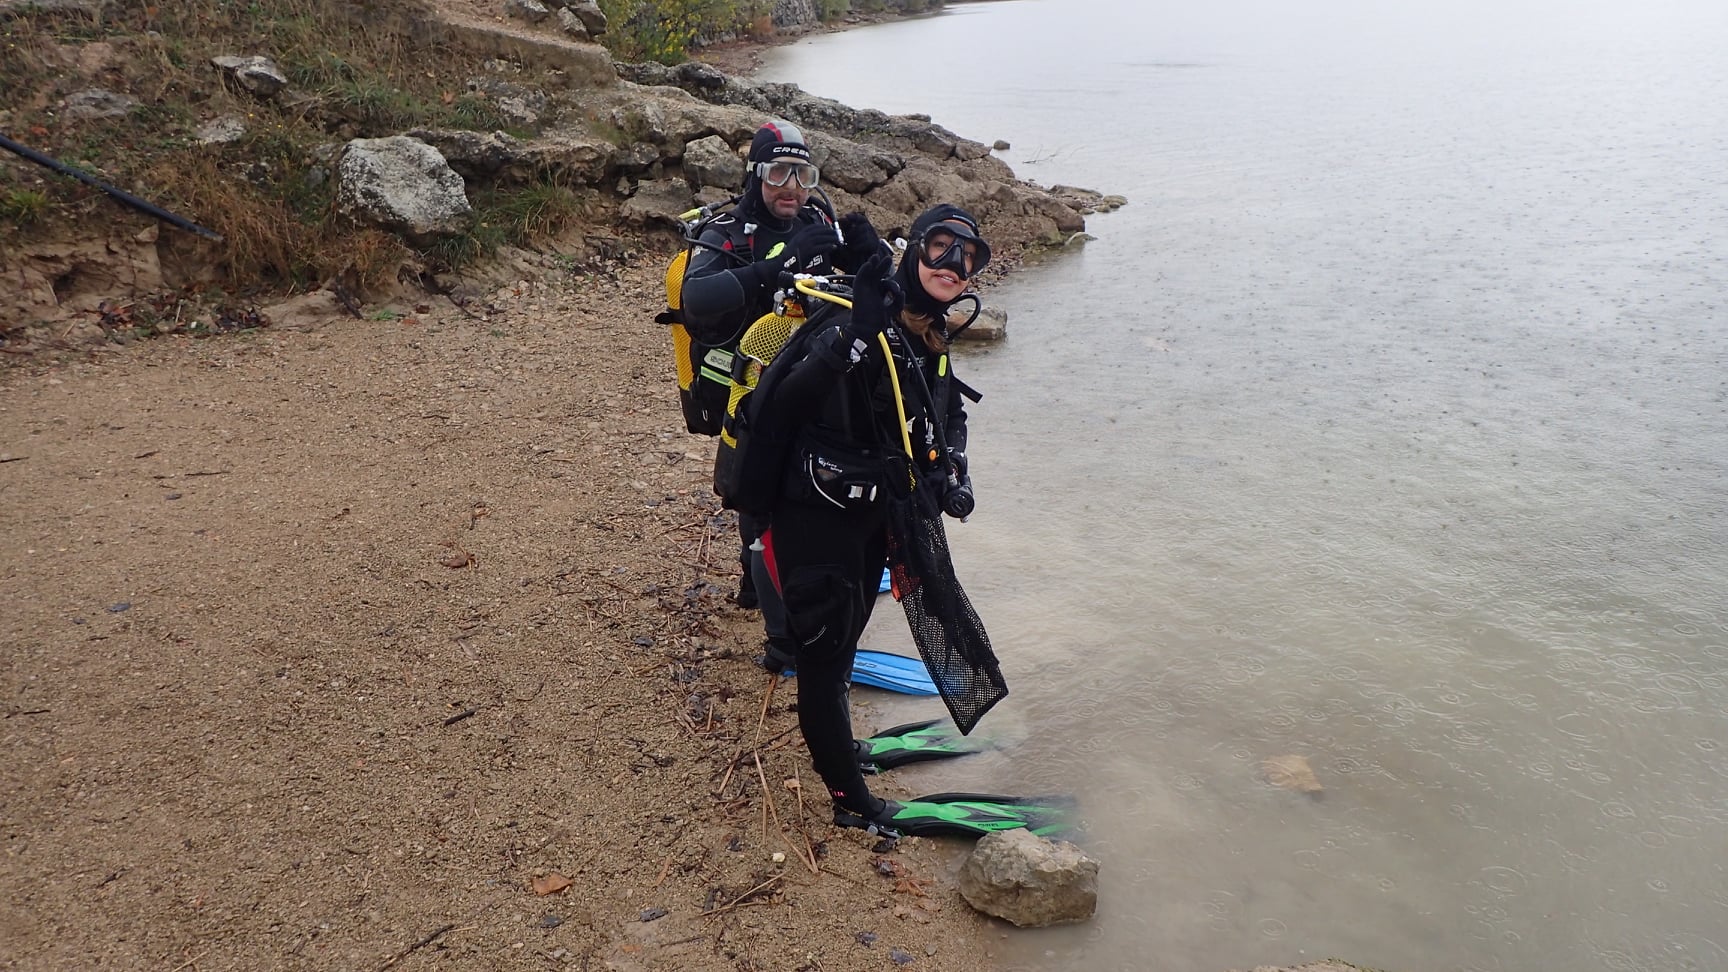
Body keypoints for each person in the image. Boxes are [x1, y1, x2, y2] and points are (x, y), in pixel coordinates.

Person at [747, 204, 995, 833]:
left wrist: (955, 464)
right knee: (824, 652)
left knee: (848, 638)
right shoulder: (857, 319)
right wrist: (852, 340)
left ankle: (844, 752)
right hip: (816, 516)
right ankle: (850, 802)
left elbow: (945, 410)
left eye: (966, 258)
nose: (952, 264)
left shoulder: (926, 331)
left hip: (873, 517)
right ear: (912, 252)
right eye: (940, 247)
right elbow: (782, 406)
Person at [680, 120, 877, 660]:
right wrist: (778, 268)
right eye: (778, 172)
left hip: (808, 377)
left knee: (804, 481)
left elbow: (858, 290)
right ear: (755, 175)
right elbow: (698, 300)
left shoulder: (816, 219)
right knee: (758, 490)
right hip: (743, 381)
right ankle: (783, 641)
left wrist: (868, 255)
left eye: (803, 173)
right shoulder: (728, 233)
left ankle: (765, 580)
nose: (792, 186)